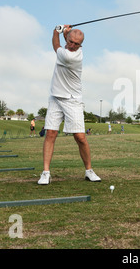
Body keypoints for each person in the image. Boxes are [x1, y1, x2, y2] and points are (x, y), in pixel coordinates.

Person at [38, 24, 101, 185]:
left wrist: (56, 31)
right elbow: (65, 39)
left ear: (81, 46)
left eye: (76, 44)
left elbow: (56, 45)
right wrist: (65, 31)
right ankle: (45, 172)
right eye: (71, 41)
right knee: (50, 133)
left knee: (80, 137)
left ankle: (89, 170)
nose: (72, 45)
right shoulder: (69, 46)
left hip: (73, 100)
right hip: (55, 98)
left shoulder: (71, 56)